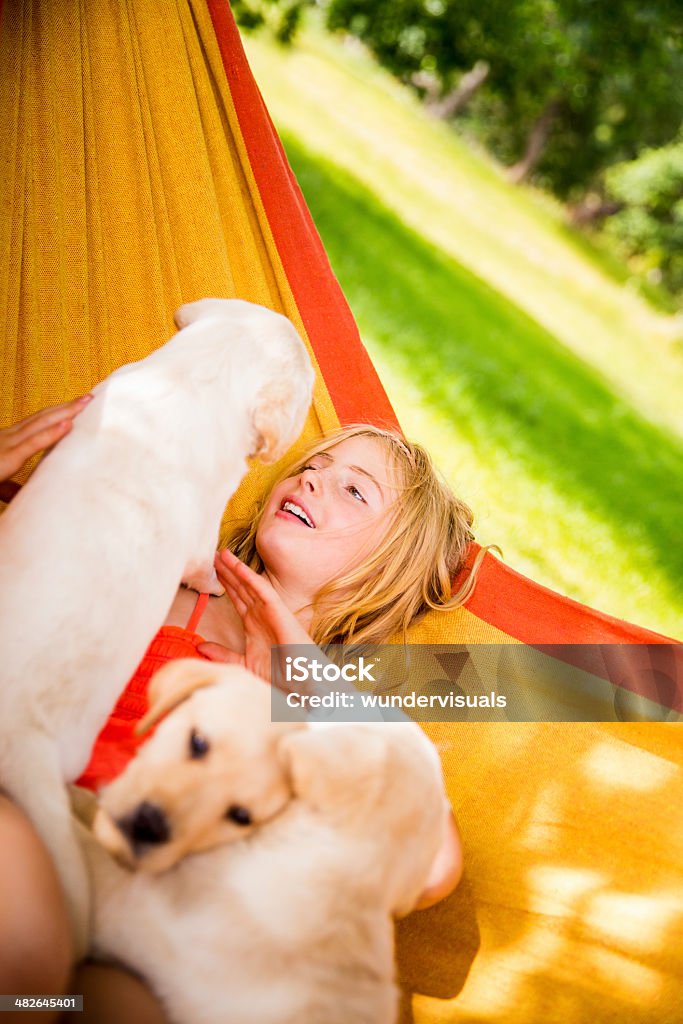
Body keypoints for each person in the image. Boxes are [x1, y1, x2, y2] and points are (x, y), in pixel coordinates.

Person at [0, 403, 482, 1021]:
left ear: (384, 572)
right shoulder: (165, 585)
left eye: (354, 490)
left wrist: (301, 689)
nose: (311, 479)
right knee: (27, 964)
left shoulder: (336, 717)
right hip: (50, 837)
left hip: (155, 929)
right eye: (313, 465)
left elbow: (432, 868)